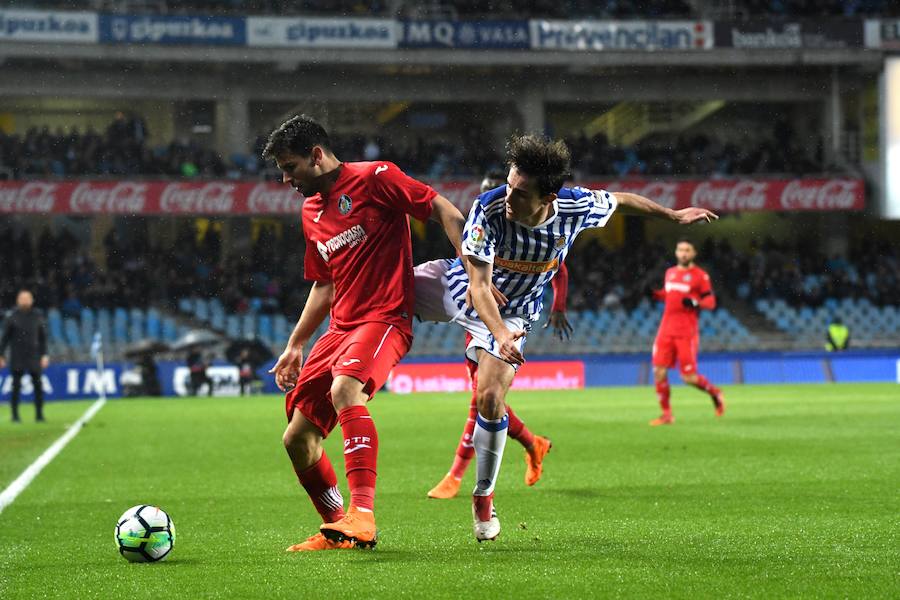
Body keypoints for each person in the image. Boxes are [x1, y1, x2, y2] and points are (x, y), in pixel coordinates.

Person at [414, 134, 717, 542]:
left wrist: (674, 216)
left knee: (488, 397)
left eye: (520, 193)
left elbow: (624, 200)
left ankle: (483, 495)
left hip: (516, 311)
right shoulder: (489, 208)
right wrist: (499, 333)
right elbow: (479, 287)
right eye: (508, 184)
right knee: (381, 287)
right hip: (464, 286)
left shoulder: (575, 206)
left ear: (549, 197)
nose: (509, 196)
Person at [264, 115, 465, 552]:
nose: (285, 178)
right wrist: (296, 343)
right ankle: (337, 527)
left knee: (345, 389)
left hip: (385, 317)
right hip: (340, 326)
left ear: (317, 155)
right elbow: (324, 282)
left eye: (290, 166)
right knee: (297, 438)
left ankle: (363, 515)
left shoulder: (377, 179)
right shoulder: (311, 210)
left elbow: (444, 209)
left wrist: (474, 271)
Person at [426, 170, 572, 500]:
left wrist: (558, 307)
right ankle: (534, 443)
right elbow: (472, 265)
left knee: (482, 398)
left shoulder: (517, 228)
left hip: (507, 320)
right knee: (485, 398)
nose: (500, 203)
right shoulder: (484, 223)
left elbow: (558, 267)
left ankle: (455, 475)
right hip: (477, 315)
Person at [649, 239, 725, 426]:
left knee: (688, 377)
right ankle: (667, 415)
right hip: (665, 330)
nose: (683, 253)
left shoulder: (700, 276)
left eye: (687, 250)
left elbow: (711, 302)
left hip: (686, 332)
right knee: (659, 372)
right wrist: (653, 294)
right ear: (676, 252)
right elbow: (669, 297)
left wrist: (696, 303)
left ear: (693, 253)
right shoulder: (670, 273)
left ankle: (715, 393)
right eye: (680, 250)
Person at [0, 290, 49, 423]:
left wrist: (44, 355)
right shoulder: (12, 316)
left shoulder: (38, 316)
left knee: (38, 387)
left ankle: (39, 415)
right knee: (15, 387)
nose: (25, 300)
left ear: (32, 300)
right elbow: (5, 339)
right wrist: (1, 355)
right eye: (22, 298)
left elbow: (43, 338)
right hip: (17, 357)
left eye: (27, 298)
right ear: (18, 300)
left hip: (34, 356)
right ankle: (15, 415)